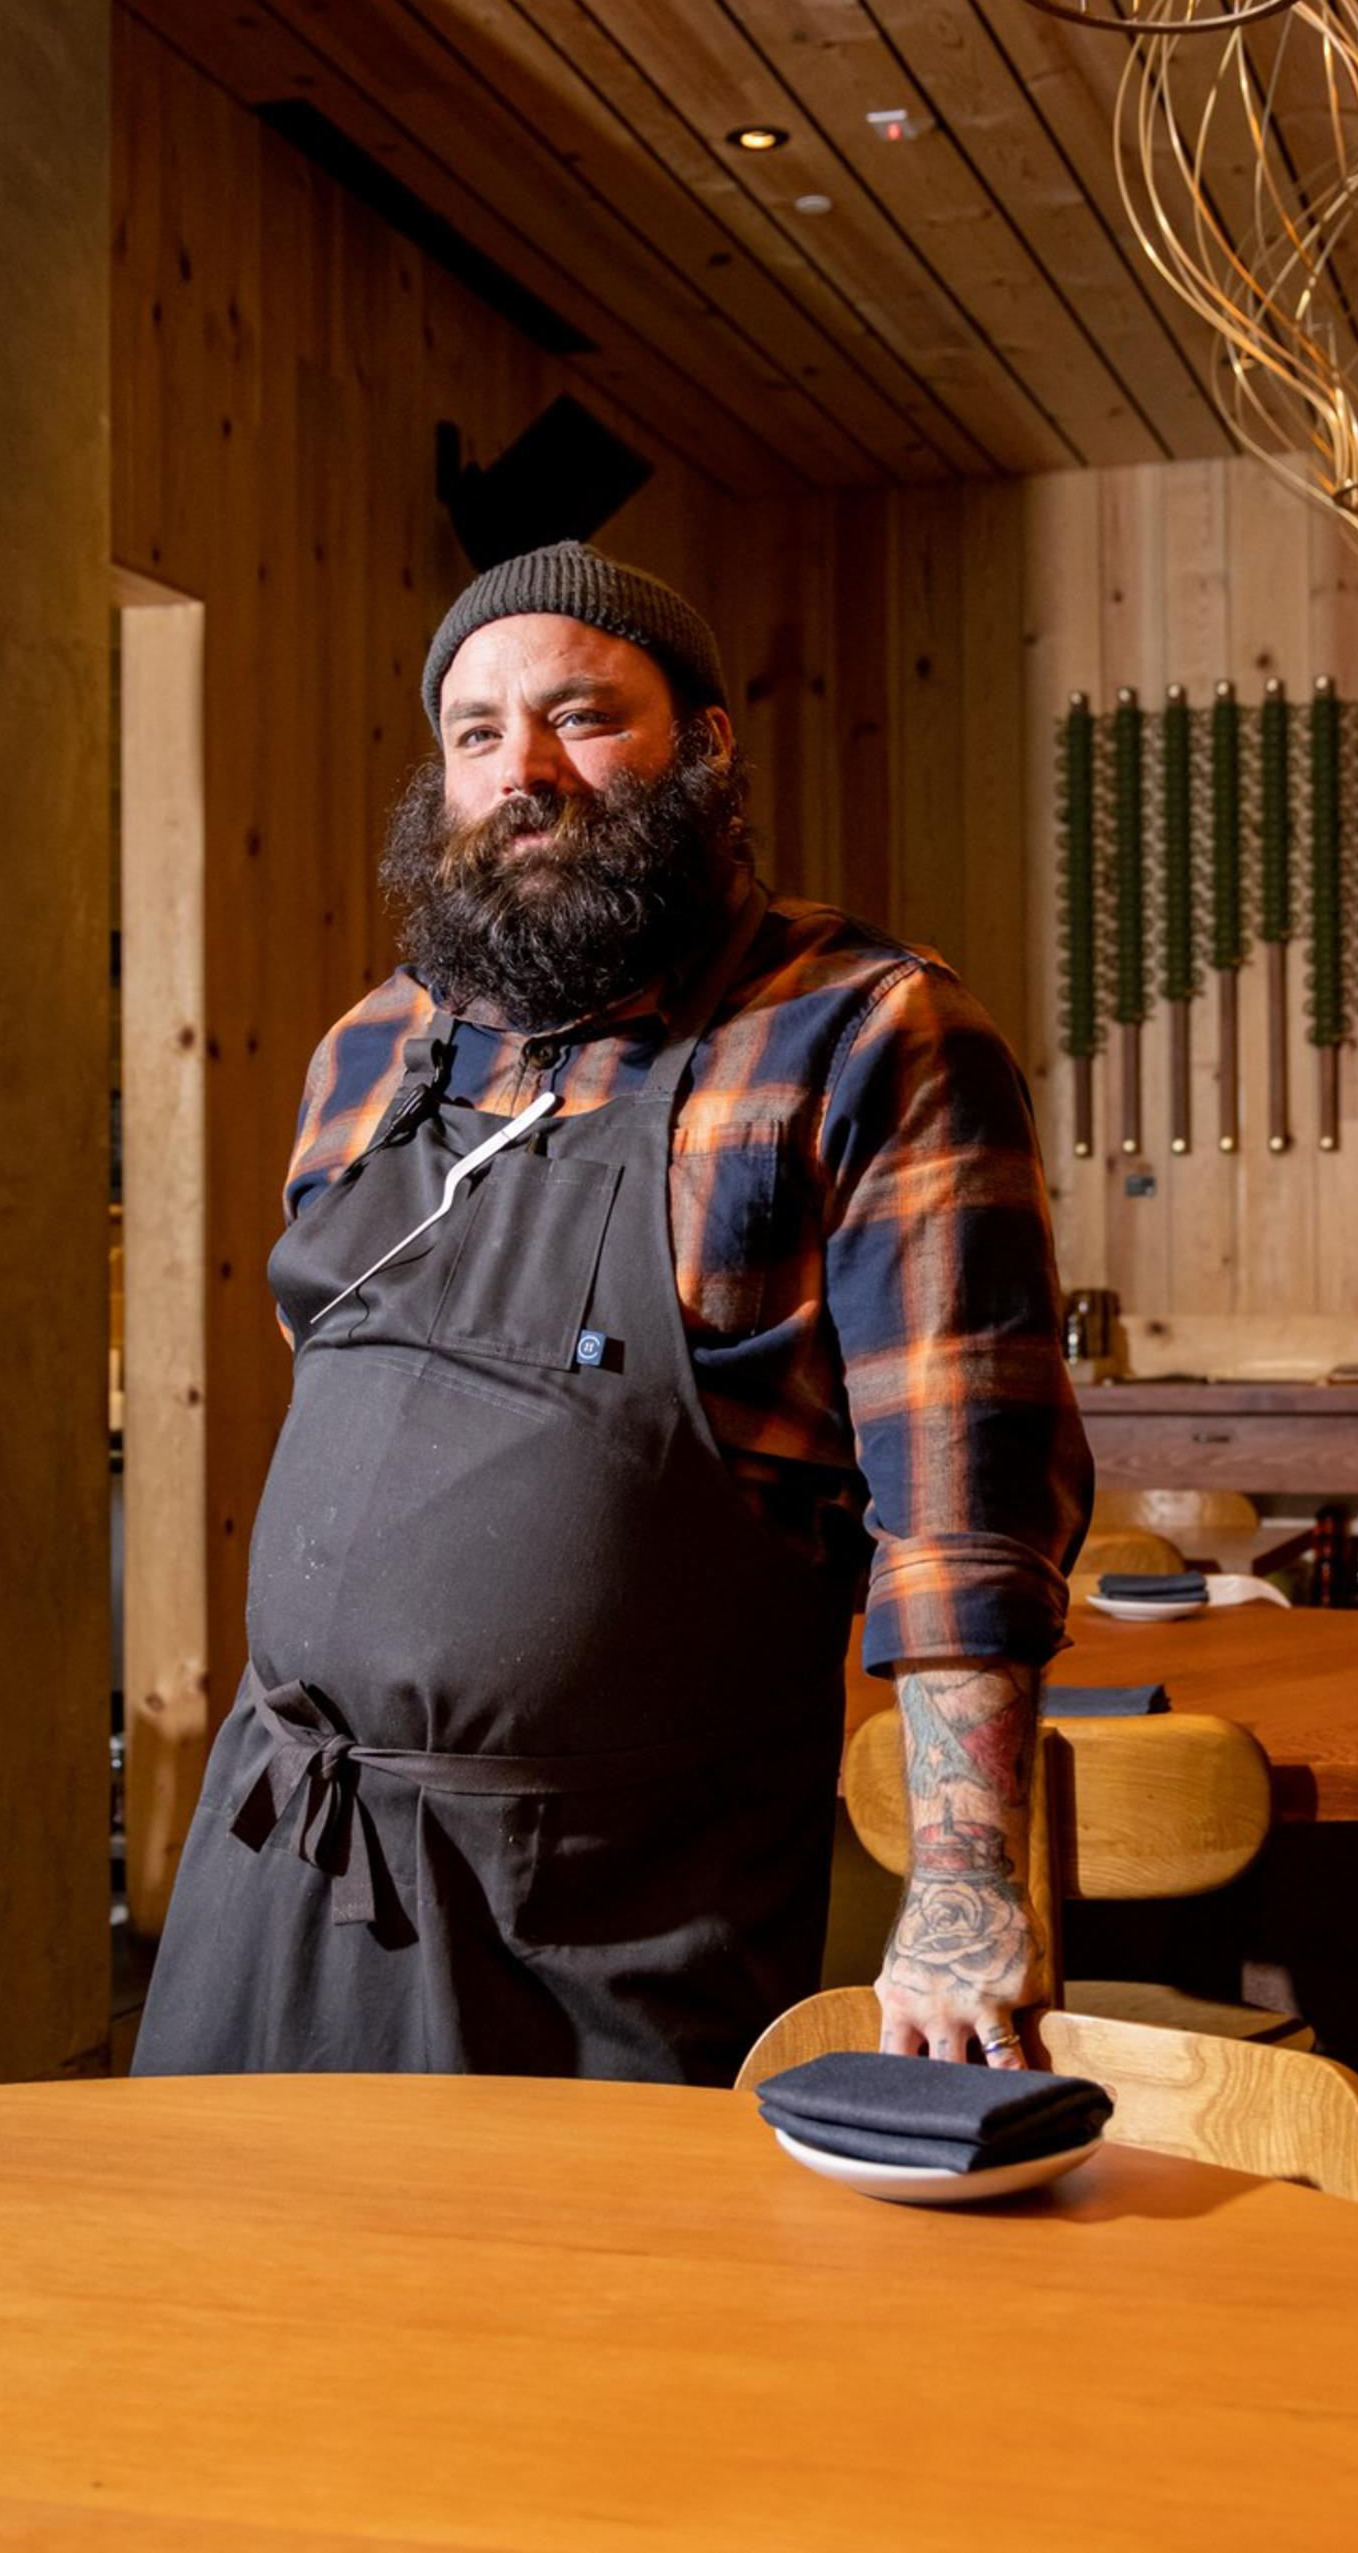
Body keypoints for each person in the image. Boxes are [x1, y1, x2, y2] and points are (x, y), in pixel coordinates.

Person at [131, 542, 1090, 2088]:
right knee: (225, 2316)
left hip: (610, 1914)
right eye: (478, 732)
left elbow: (965, 1522)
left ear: (703, 748)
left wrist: (965, 1890)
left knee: (581, 2326)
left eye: (581, 717)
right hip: (287, 1864)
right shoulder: (372, 1054)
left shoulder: (859, 1034)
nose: (526, 771)